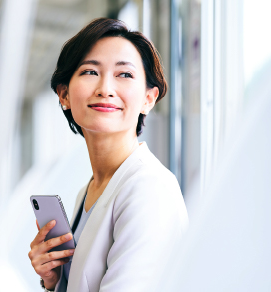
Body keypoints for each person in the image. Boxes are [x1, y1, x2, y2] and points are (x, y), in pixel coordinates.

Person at [28, 18, 188, 292]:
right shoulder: (88, 192)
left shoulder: (150, 189)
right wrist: (53, 281)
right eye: (90, 72)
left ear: (148, 99)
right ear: (64, 94)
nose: (105, 88)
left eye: (124, 75)